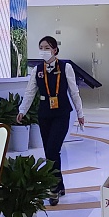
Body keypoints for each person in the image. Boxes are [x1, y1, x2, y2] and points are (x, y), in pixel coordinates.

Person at [17, 36, 85, 205]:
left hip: (61, 114)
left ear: (55, 50)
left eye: (47, 47)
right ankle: (59, 185)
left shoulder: (66, 67)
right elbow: (30, 92)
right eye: (41, 47)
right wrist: (22, 110)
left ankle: (53, 189)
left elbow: (74, 91)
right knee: (50, 152)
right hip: (44, 114)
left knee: (53, 149)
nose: (44, 51)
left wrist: (80, 113)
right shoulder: (37, 70)